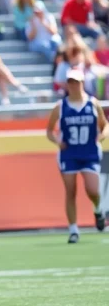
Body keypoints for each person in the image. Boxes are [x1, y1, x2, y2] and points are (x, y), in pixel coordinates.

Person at [46, 68, 108, 244]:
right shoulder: (61, 106)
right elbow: (49, 131)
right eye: (71, 82)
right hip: (69, 154)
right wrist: (57, 140)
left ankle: (97, 210)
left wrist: (101, 137)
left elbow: (105, 125)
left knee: (93, 190)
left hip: (89, 153)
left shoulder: (93, 103)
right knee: (70, 190)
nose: (73, 85)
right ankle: (73, 229)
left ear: (82, 83)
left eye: (77, 82)